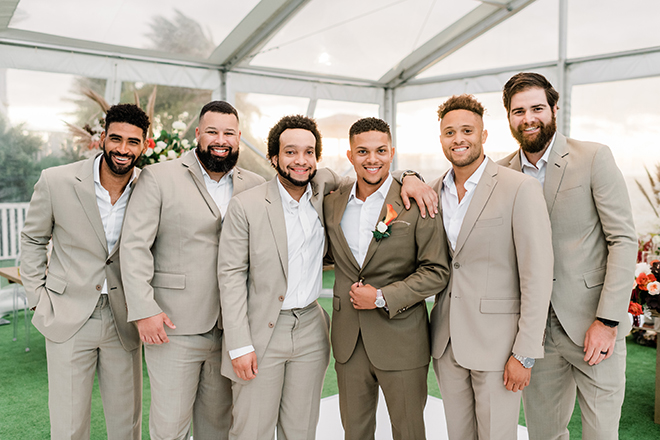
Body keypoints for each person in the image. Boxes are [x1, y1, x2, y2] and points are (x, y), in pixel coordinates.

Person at [218, 114, 440, 440]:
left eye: (309, 152)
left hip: (314, 329)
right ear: (274, 157)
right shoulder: (256, 205)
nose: (300, 160)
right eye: (290, 152)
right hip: (265, 328)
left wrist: (409, 176)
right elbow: (230, 275)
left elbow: (376, 171)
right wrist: (238, 345)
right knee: (252, 429)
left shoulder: (325, 191)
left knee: (302, 428)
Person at [497, 72, 637, 440]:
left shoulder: (593, 157)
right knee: (543, 434)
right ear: (509, 117)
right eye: (518, 111)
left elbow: (622, 239)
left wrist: (607, 322)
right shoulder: (499, 173)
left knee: (600, 435)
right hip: (536, 336)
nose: (528, 118)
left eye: (537, 108)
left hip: (594, 329)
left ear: (555, 109)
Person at [119, 101, 265, 440]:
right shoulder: (159, 176)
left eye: (229, 133)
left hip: (230, 329)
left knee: (217, 426)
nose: (220, 139)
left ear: (239, 137)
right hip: (173, 327)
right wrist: (143, 309)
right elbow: (134, 246)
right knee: (170, 427)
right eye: (212, 131)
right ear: (197, 134)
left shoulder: (256, 184)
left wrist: (408, 177)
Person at [20, 104, 149, 440]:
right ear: (102, 139)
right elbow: (33, 239)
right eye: (116, 139)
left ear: (144, 146)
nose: (123, 149)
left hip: (124, 318)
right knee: (68, 424)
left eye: (133, 142)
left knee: (126, 424)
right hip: (67, 314)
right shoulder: (56, 180)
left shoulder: (151, 187)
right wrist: (38, 298)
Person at [429, 94, 553, 439]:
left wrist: (525, 353)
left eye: (467, 130)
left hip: (499, 347)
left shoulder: (520, 188)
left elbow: (537, 276)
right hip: (446, 342)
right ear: (441, 139)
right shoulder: (433, 191)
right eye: (450, 132)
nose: (458, 139)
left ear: (483, 136)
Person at [324, 117, 450, 440]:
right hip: (348, 342)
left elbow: (437, 271)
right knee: (355, 432)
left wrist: (381, 297)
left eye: (381, 150)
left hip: (402, 340)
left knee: (408, 432)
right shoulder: (332, 202)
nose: (372, 159)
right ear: (350, 156)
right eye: (362, 152)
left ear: (392, 152)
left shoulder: (417, 201)